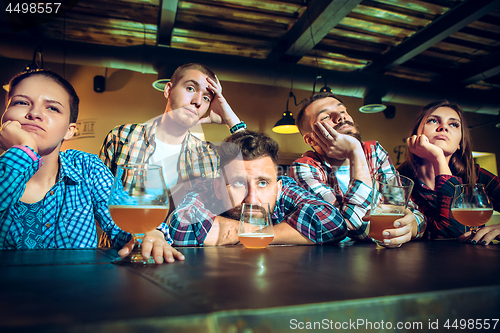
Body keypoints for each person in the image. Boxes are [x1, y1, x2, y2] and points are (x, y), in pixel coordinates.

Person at [0, 69, 184, 264]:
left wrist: (151, 234)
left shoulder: (86, 167)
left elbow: (123, 223)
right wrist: (24, 151)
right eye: (21, 102)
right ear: (5, 116)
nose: (34, 113)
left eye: (52, 108)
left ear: (69, 131)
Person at [99, 63, 245, 208]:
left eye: (206, 98)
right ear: (168, 90)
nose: (198, 101)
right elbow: (100, 201)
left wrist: (231, 120)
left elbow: (255, 166)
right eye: (190, 88)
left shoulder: (210, 156)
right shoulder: (122, 136)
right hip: (124, 230)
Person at [290, 92, 426, 248]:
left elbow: (408, 210)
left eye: (343, 111)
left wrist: (412, 226)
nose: (341, 117)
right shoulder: (304, 168)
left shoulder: (374, 152)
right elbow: (352, 227)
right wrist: (355, 150)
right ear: (311, 139)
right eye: (326, 117)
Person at [168, 130, 347, 246]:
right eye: (239, 183)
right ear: (218, 188)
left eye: (263, 183)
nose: (252, 199)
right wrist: (285, 232)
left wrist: (260, 236)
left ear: (277, 187)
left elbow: (333, 221)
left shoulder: (284, 188)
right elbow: (181, 226)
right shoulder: (206, 188)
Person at [398, 100, 500, 244]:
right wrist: (438, 158)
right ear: (416, 134)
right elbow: (455, 231)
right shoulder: (398, 181)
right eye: (433, 120)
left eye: (453, 124)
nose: (443, 127)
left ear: (460, 142)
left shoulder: (476, 176)